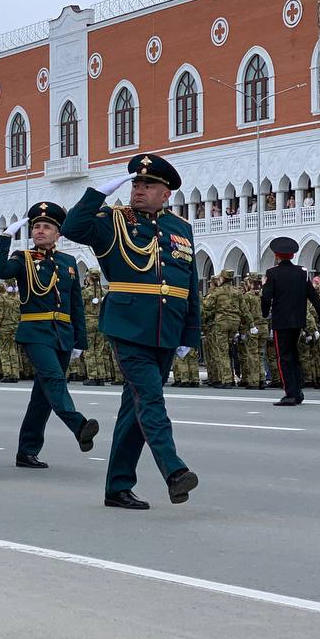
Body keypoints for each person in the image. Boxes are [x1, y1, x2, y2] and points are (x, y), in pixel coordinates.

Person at [62, 153, 201, 510]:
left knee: (134, 409)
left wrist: (190, 334)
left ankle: (117, 487)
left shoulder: (180, 228)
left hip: (166, 328)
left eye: (148, 185)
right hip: (127, 326)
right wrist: (97, 194)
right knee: (151, 399)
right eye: (136, 184)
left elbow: (190, 285)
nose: (139, 190)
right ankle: (174, 472)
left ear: (166, 193)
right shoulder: (113, 221)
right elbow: (72, 228)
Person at [0, 202, 99, 468]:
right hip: (35, 332)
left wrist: (79, 342)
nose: (40, 231)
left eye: (46, 227)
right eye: (36, 226)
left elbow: (75, 306)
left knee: (43, 397)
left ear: (58, 233)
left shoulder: (68, 262)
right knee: (53, 379)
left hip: (62, 334)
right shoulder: (22, 258)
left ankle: (26, 452)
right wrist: (4, 239)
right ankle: (79, 424)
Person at [261, 236, 320, 406]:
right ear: (292, 255)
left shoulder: (272, 273)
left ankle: (290, 393)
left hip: (281, 321)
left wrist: (264, 313)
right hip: (298, 321)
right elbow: (313, 296)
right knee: (294, 354)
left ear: (277, 255)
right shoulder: (302, 272)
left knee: (283, 357)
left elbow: (266, 297)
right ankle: (297, 391)